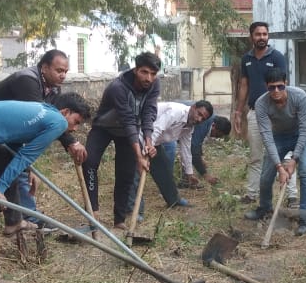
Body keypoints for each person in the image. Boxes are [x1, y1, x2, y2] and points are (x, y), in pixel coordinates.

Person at [0, 93, 93, 283]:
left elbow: (14, 142)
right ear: (65, 112)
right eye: (75, 122)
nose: (73, 129)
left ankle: (13, 222)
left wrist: (27, 170)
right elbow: (24, 156)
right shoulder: (57, 121)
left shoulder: (44, 109)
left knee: (9, 165)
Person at [0, 49, 85, 227]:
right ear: (44, 67)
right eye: (59, 71)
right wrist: (70, 142)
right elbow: (43, 121)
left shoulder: (53, 89)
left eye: (66, 72)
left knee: (15, 168)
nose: (63, 76)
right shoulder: (27, 81)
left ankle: (18, 219)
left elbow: (48, 119)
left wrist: (29, 167)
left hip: (5, 131)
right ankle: (24, 215)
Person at [84, 52, 161, 229]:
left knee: (126, 173)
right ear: (135, 70)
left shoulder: (154, 85)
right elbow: (127, 119)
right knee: (89, 162)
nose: (149, 78)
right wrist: (139, 156)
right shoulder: (117, 87)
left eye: (153, 74)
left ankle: (119, 220)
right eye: (144, 72)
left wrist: (148, 142)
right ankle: (92, 210)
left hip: (128, 133)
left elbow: (148, 113)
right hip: (103, 128)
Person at [243, 68, 306, 236]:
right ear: (266, 87)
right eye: (271, 87)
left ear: (286, 84)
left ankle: (305, 220)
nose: (276, 91)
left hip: (301, 134)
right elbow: (267, 136)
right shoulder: (261, 104)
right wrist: (280, 168)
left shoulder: (300, 96)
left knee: (305, 171)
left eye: (280, 87)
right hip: (278, 136)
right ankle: (265, 209)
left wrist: (294, 159)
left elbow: (305, 129)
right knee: (266, 175)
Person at [233, 21, 297, 204]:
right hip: (254, 113)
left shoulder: (277, 57)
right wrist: (238, 111)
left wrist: (285, 109)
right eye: (258, 34)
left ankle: (291, 195)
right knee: (255, 155)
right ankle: (251, 194)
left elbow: (283, 84)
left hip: (276, 114)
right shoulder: (246, 59)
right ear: (251, 36)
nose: (261, 37)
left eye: (264, 34)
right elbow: (244, 85)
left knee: (284, 153)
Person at [134, 100, 213, 211]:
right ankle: (133, 209)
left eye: (203, 119)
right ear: (193, 107)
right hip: (139, 135)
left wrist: (189, 173)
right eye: (199, 114)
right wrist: (148, 146)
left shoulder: (189, 127)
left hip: (153, 142)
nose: (199, 119)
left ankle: (174, 200)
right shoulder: (176, 112)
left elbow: (186, 148)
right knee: (135, 173)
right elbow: (156, 128)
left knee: (164, 169)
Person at [178, 114, 232, 189]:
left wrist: (200, 157)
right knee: (170, 152)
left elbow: (197, 141)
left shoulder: (209, 120)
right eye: (217, 135)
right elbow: (193, 151)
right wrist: (206, 176)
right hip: (168, 122)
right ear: (214, 126)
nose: (215, 137)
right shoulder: (203, 122)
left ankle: (186, 180)